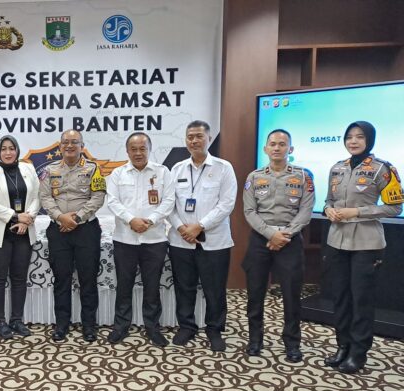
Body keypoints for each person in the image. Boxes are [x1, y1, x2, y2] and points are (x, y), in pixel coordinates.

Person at [323, 121, 402, 374]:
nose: (353, 141)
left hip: (366, 244)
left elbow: (395, 207)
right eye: (349, 137)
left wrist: (357, 212)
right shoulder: (337, 168)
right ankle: (342, 346)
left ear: (369, 140)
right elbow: (328, 200)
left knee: (361, 299)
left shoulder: (383, 169)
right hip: (337, 240)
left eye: (359, 137)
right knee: (340, 297)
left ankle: (358, 352)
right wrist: (328, 210)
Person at [242, 129, 315, 362]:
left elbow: (306, 210)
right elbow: (249, 211)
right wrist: (270, 234)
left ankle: (292, 343)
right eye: (272, 144)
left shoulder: (303, 176)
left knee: (292, 295)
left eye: (282, 144)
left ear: (290, 149)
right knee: (255, 293)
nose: (276, 148)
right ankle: (255, 340)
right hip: (260, 240)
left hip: (290, 241)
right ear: (265, 148)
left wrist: (285, 235)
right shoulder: (254, 177)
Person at [168, 120, 237, 352]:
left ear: (208, 138)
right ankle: (186, 326)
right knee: (184, 286)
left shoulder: (223, 168)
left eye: (199, 136)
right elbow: (169, 205)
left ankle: (214, 329)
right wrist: (181, 228)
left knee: (214, 289)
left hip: (214, 241)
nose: (194, 141)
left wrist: (199, 226)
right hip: (181, 240)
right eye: (190, 137)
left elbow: (226, 204)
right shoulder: (177, 169)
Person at [106, 132, 176, 346]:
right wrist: (131, 220)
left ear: (149, 149)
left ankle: (153, 328)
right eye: (134, 149)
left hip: (154, 239)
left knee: (152, 286)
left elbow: (169, 201)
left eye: (142, 148)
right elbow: (112, 201)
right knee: (124, 285)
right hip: (124, 239)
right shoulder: (118, 173)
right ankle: (121, 326)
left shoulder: (162, 172)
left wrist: (151, 220)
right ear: (127, 151)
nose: (138, 153)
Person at [39, 129, 106, 343]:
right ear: (60, 146)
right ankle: (62, 324)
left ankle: (89, 325)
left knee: (88, 279)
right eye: (65, 142)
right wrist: (61, 217)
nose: (69, 146)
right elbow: (45, 197)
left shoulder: (93, 169)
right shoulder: (49, 170)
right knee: (62, 279)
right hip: (58, 230)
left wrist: (76, 218)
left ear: (82, 146)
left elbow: (98, 197)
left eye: (74, 142)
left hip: (86, 230)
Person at [0, 135, 40, 339]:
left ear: (17, 151)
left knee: (19, 278)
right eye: (3, 149)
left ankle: (17, 320)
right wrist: (15, 216)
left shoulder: (28, 169)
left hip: (23, 231)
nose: (8, 152)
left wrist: (26, 219)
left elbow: (37, 197)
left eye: (11, 148)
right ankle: (0, 322)